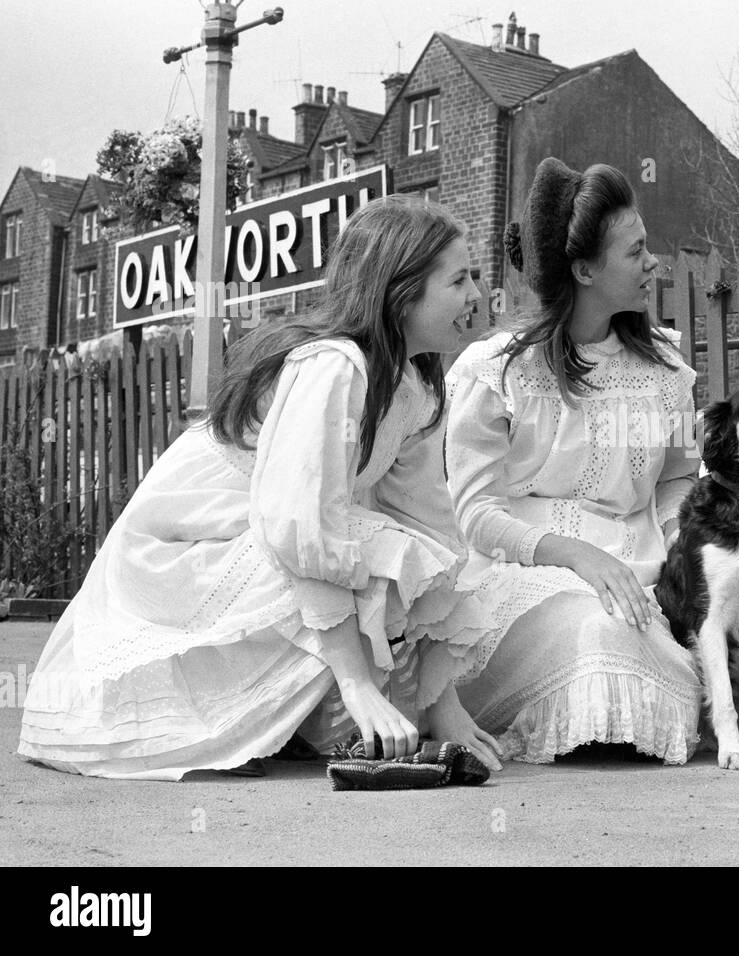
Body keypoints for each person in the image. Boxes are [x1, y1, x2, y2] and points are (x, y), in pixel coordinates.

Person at [17, 194, 505, 779]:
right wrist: (353, 678)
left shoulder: (417, 388)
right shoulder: (333, 366)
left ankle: (298, 724)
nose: (477, 295)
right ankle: (234, 719)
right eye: (458, 280)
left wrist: (439, 705)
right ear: (400, 295)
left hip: (274, 536)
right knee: (363, 566)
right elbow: (297, 527)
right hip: (192, 546)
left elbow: (427, 532)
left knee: (390, 562)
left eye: (474, 275)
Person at [444, 158, 703, 764]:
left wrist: (685, 551)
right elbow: (475, 515)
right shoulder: (498, 371)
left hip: (639, 575)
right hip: (523, 575)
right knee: (599, 632)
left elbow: (679, 478)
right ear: (585, 269)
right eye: (636, 251)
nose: (653, 262)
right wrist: (579, 557)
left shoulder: (666, 368)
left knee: (632, 631)